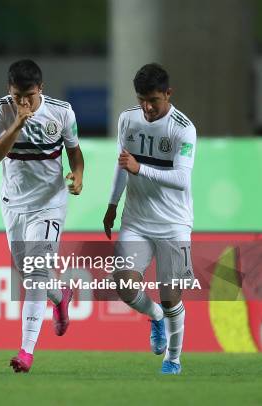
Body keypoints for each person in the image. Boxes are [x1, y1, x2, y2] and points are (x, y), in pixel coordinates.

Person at [0, 59, 85, 373]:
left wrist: (77, 174)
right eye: (17, 96)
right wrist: (16, 123)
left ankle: (26, 352)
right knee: (28, 274)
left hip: (50, 203)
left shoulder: (62, 111)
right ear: (8, 91)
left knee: (37, 273)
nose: (23, 102)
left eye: (28, 95)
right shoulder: (0, 110)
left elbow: (74, 151)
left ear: (40, 88)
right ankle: (61, 296)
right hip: (14, 203)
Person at [103, 63, 196, 375]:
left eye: (153, 100)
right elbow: (121, 164)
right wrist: (113, 204)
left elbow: (182, 179)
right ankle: (154, 316)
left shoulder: (183, 128)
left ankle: (173, 359)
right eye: (142, 99)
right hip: (137, 220)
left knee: (172, 296)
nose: (146, 107)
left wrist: (139, 168)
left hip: (173, 223)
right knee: (124, 285)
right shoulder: (128, 119)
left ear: (168, 94)